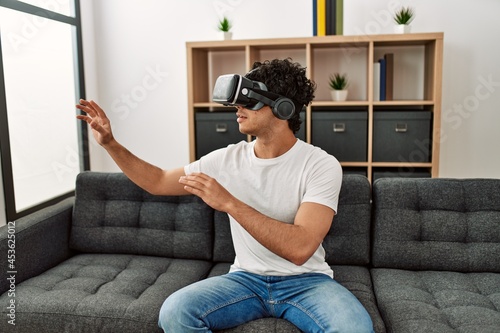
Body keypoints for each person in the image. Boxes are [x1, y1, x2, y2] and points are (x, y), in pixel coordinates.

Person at [76, 58, 374, 333]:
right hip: (246, 280)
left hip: (307, 282)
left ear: (283, 108)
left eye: (249, 101)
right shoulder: (227, 160)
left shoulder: (320, 165)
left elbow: (300, 248)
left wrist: (229, 203)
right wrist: (110, 144)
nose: (237, 108)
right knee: (176, 312)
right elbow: (157, 181)